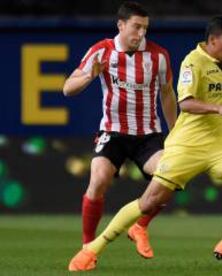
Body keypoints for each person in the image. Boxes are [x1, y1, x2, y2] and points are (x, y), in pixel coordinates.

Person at [68, 15, 222, 272]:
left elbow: (167, 92)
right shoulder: (193, 62)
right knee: (147, 202)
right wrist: (218, 109)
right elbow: (184, 102)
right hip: (185, 147)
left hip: (218, 146)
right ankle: (91, 249)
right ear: (212, 40)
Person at [63, 1, 177, 259]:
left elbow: (168, 95)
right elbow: (68, 89)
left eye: (145, 28)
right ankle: (87, 248)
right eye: (136, 27)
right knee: (99, 179)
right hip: (113, 133)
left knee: (171, 178)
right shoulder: (101, 51)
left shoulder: (159, 56)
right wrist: (88, 76)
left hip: (148, 135)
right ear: (121, 25)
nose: (141, 34)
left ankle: (140, 227)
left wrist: (176, 133)